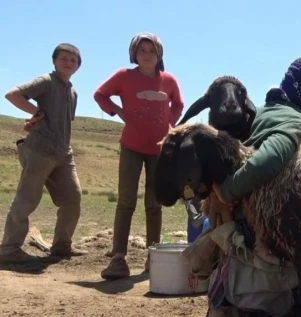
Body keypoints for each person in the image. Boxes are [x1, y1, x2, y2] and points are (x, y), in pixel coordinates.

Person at [94, 32, 184, 279]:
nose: (147, 55)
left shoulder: (169, 81)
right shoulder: (124, 76)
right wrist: (117, 111)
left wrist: (170, 122)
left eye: (152, 51)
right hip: (131, 147)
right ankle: (118, 259)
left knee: (154, 204)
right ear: (134, 53)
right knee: (126, 201)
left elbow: (178, 103)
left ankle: (152, 257)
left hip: (158, 149)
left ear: (159, 55)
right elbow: (100, 94)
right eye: (142, 51)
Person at [212, 55, 301, 205]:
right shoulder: (297, 123)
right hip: (253, 213)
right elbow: (265, 162)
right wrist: (225, 192)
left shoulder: (261, 111)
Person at [0, 43, 85, 264]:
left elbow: (60, 121)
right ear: (54, 61)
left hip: (63, 154)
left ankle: (61, 246)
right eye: (64, 58)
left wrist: (34, 121)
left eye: (73, 60)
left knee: (72, 198)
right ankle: (9, 249)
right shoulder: (46, 81)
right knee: (27, 199)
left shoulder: (73, 91)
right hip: (39, 150)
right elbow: (12, 94)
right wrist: (35, 111)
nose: (68, 63)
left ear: (78, 66)